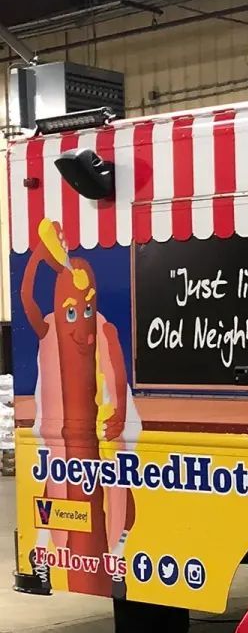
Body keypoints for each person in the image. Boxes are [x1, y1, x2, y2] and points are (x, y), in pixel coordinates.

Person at [22, 219, 140, 597]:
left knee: (120, 495)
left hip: (104, 431)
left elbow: (116, 373)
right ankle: (43, 559)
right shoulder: (50, 327)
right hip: (62, 432)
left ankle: (117, 558)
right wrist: (39, 255)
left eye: (85, 308)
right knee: (54, 495)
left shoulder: (103, 328)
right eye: (71, 310)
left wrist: (118, 412)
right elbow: (26, 297)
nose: (79, 323)